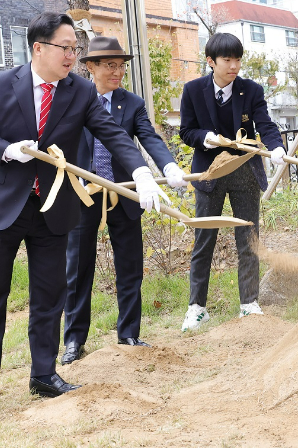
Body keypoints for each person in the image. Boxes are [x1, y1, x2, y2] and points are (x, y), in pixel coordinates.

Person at [0, 12, 167, 413]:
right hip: (4, 205)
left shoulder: (80, 93)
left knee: (49, 295)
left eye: (76, 49)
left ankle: (43, 374)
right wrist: (5, 149)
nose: (73, 56)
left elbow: (112, 132)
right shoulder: (3, 84)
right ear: (39, 48)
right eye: (66, 48)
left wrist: (141, 171)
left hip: (53, 207)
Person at [61, 36, 187, 365]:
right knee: (77, 268)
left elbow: (148, 136)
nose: (117, 72)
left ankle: (128, 333)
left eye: (121, 66)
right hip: (83, 192)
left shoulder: (131, 103)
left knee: (130, 266)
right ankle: (74, 340)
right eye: (109, 66)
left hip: (128, 191)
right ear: (90, 67)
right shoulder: (73, 98)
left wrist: (168, 165)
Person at [179, 32, 286, 331]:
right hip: (209, 173)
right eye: (228, 60)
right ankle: (197, 307)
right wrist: (206, 139)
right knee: (204, 241)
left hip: (244, 171)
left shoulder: (251, 90)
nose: (234, 66)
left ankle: (249, 304)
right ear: (211, 61)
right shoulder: (192, 90)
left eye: (238, 59)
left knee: (248, 239)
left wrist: (276, 147)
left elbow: (264, 123)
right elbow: (186, 131)